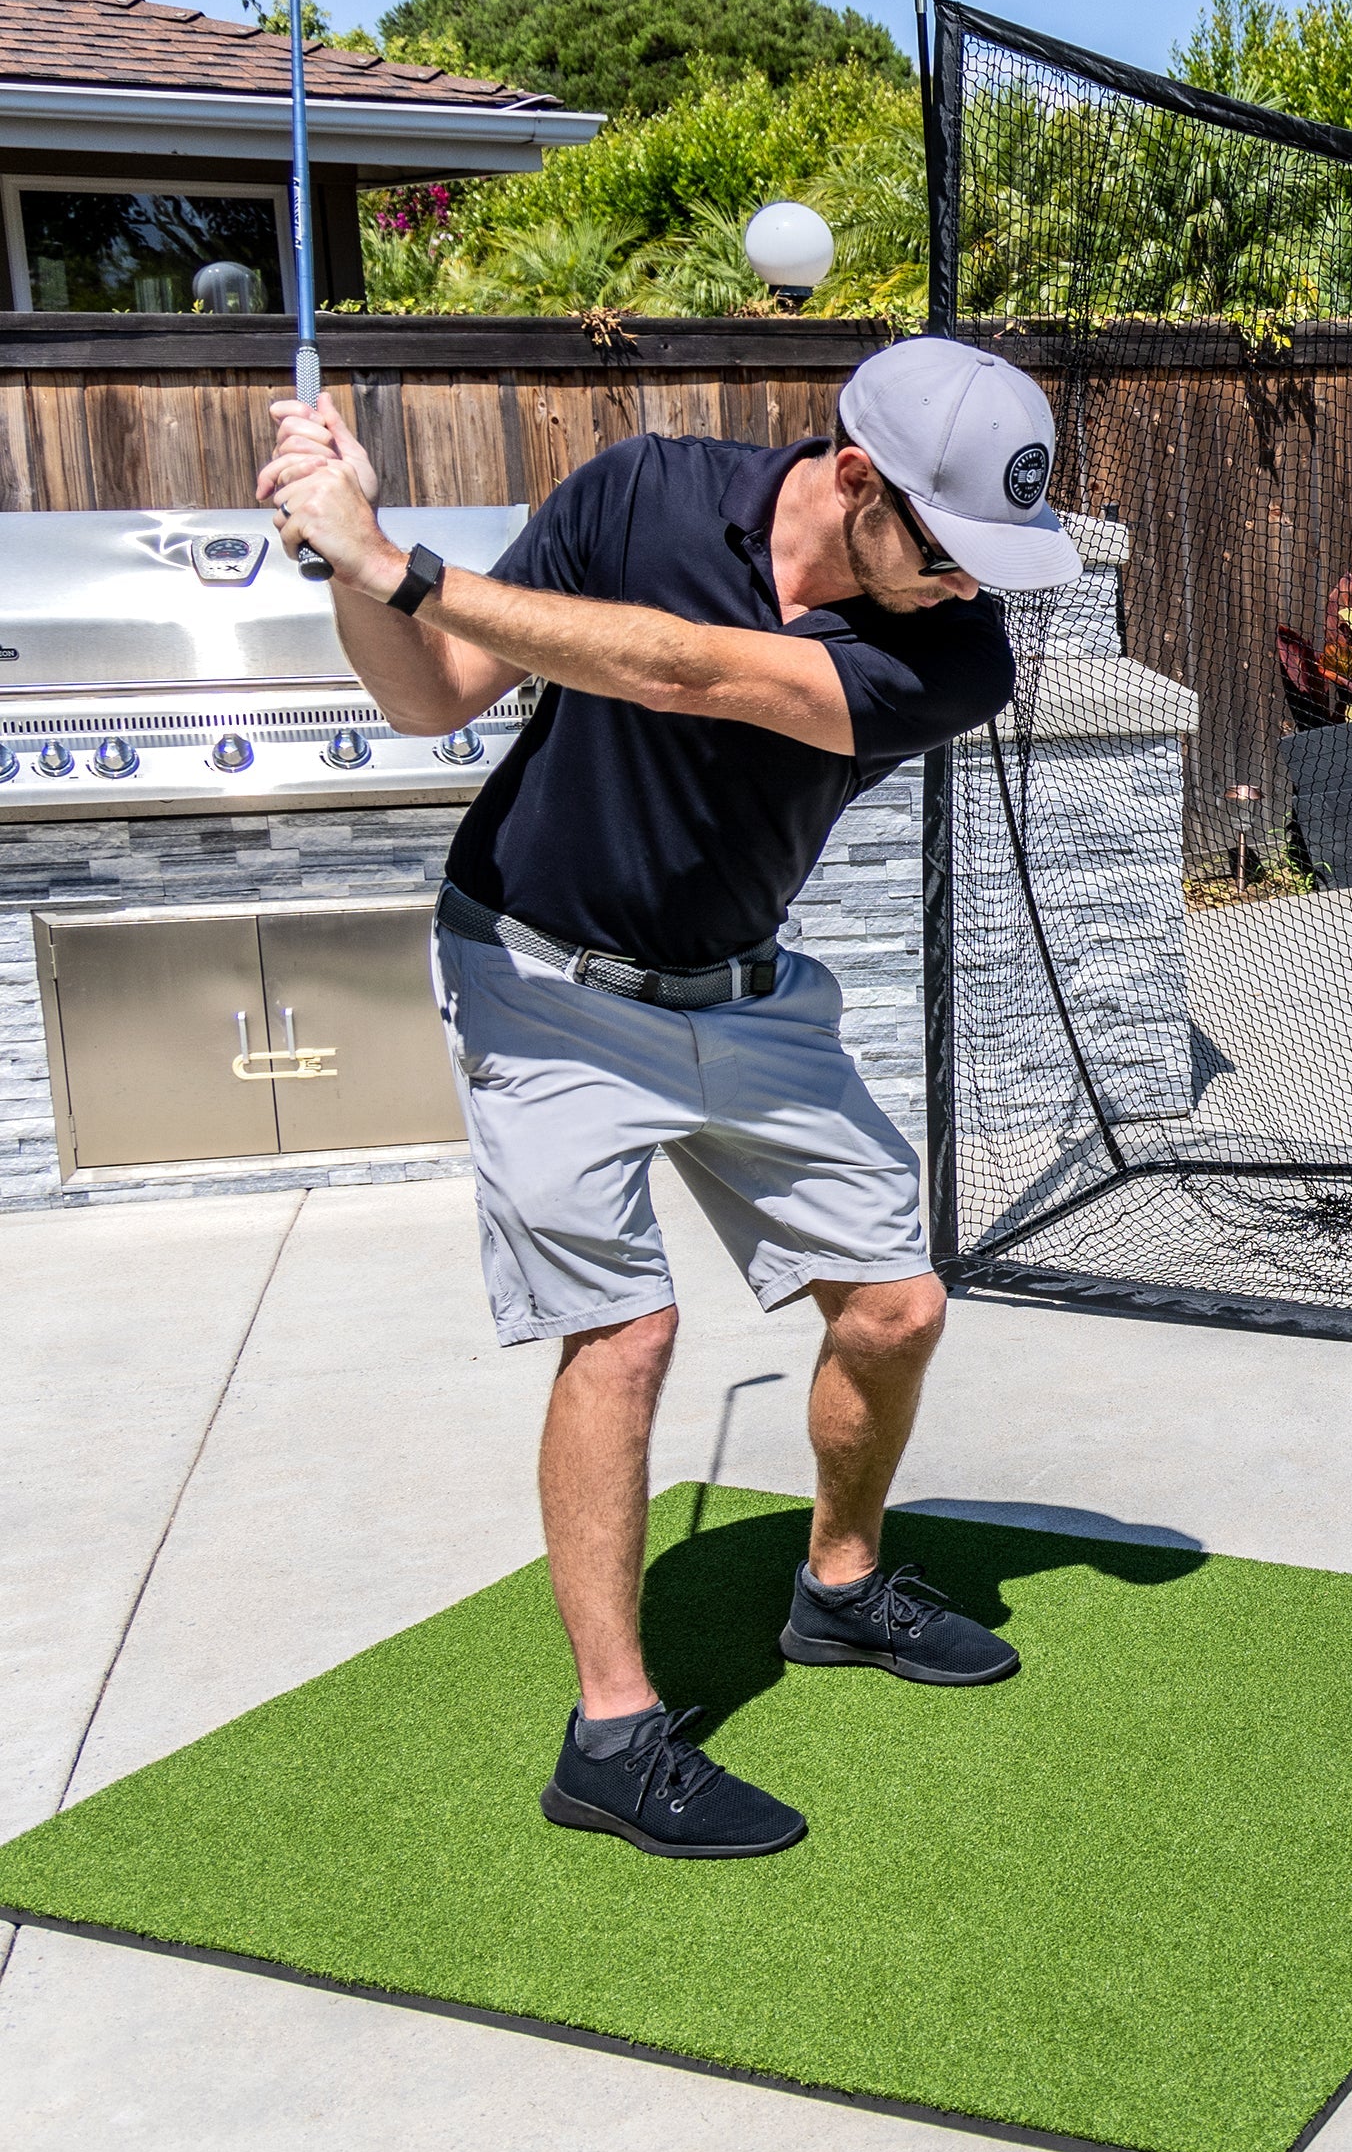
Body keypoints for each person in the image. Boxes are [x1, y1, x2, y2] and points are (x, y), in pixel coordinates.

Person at [254, 339, 1076, 1860]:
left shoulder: (961, 655)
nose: (974, 584)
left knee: (896, 1306)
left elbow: (690, 671)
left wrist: (400, 556)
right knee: (624, 1333)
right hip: (537, 979)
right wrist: (346, 567)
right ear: (852, 480)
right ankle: (614, 1735)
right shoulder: (641, 490)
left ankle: (837, 1588)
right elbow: (436, 697)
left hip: (742, 994)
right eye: (951, 548)